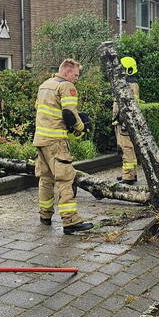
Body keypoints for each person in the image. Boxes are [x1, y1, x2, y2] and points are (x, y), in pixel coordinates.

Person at [33, 58, 93, 234]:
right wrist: (81, 128)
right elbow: (68, 113)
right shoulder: (66, 86)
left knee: (45, 179)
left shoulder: (45, 85)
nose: (76, 78)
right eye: (75, 75)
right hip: (56, 142)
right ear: (66, 72)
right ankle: (70, 221)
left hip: (41, 140)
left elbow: (45, 110)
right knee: (65, 179)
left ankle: (45, 215)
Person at [113, 56, 141, 183]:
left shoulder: (131, 85)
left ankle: (128, 176)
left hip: (125, 122)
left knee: (127, 148)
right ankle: (131, 173)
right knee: (125, 148)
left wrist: (125, 121)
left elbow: (131, 104)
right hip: (120, 121)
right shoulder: (123, 83)